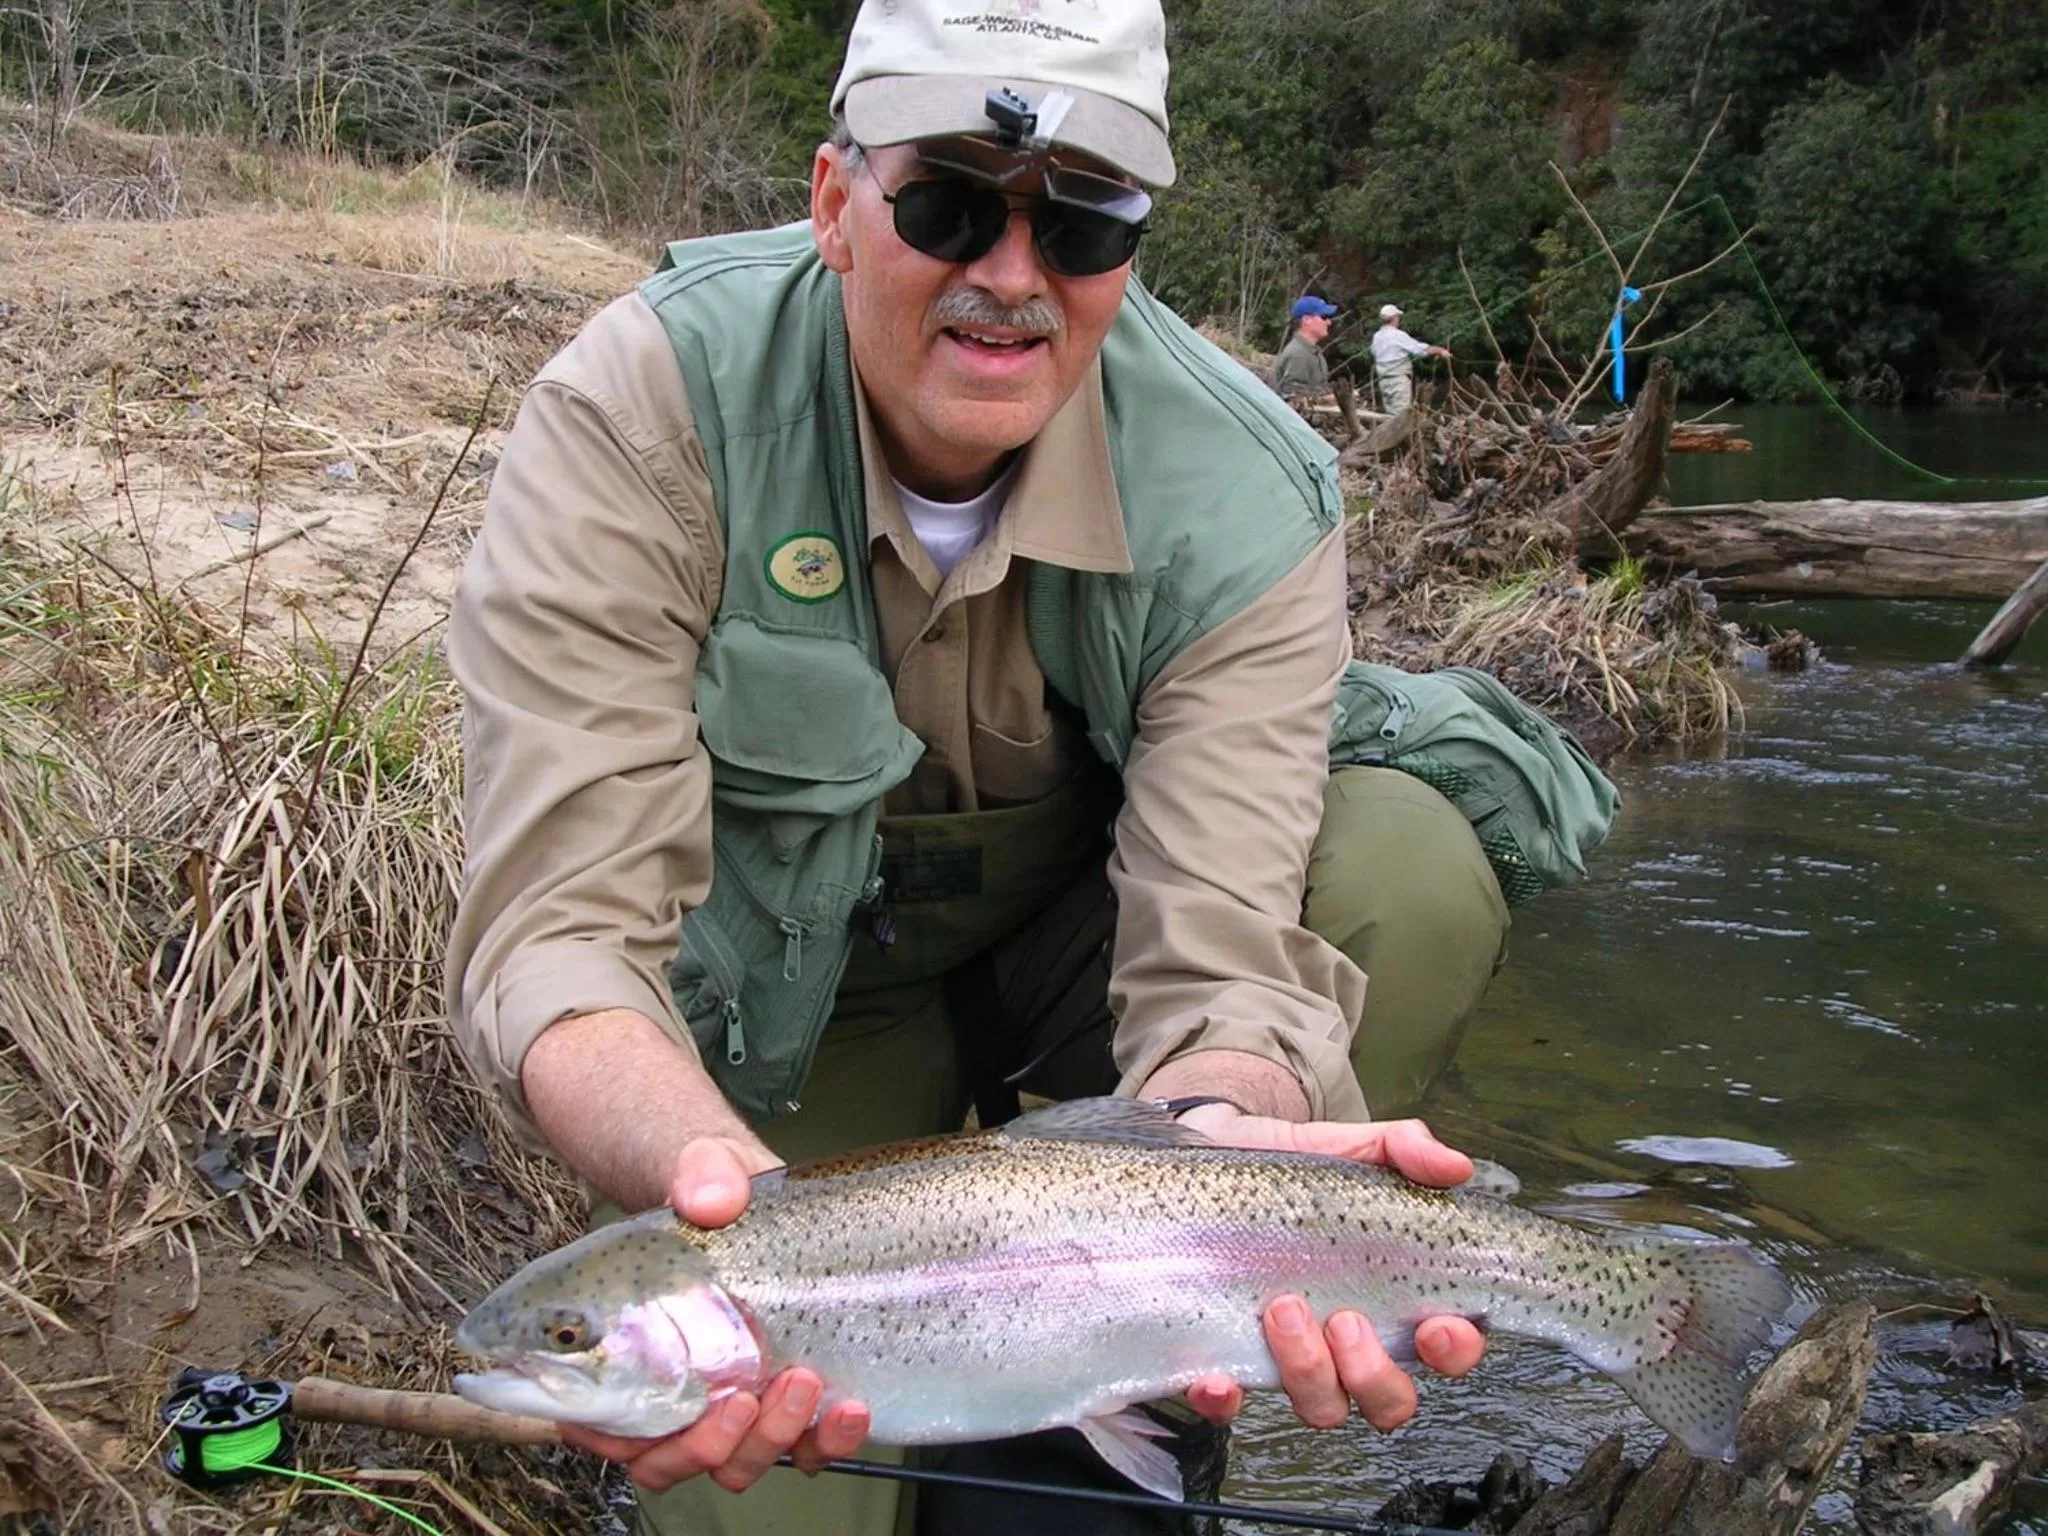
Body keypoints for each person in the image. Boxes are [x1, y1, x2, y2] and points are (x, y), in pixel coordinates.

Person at [445, 2, 1510, 1531]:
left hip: (1096, 992)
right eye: (947, 204)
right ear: (834, 203)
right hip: (786, 1038)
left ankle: (1170, 1349)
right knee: (764, 1493)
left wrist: (1212, 1166)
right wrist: (733, 1222)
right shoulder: (643, 411)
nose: (1012, 278)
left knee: (1407, 861)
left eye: (1080, 223)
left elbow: (1220, 953)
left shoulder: (1245, 488)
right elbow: (560, 934)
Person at [1371, 302, 1451, 413]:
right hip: (1398, 381)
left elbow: (1374, 353)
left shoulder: (1377, 336)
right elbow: (1420, 350)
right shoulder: (1398, 335)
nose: (1399, 319)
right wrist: (1441, 350)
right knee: (1400, 415)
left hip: (1383, 381)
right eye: (1398, 316)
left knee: (1389, 414)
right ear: (1394, 318)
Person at [1270, 294, 1338, 402]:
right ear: (1306, 319)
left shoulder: (1315, 353)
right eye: (1324, 317)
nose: (1329, 322)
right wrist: (1330, 399)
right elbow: (1293, 396)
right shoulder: (1297, 354)